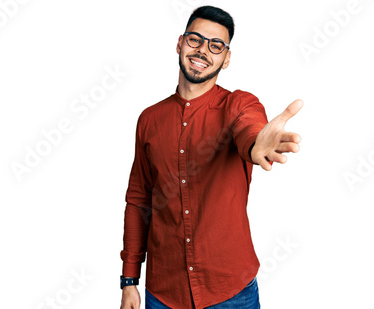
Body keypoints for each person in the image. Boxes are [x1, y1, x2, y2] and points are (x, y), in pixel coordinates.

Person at [120, 5, 303, 309]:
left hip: (231, 291)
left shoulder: (239, 104)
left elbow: (249, 129)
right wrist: (129, 280)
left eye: (216, 46)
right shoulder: (149, 120)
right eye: (196, 40)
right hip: (163, 293)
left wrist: (258, 143)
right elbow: (139, 201)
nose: (203, 50)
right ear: (180, 43)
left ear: (226, 58)